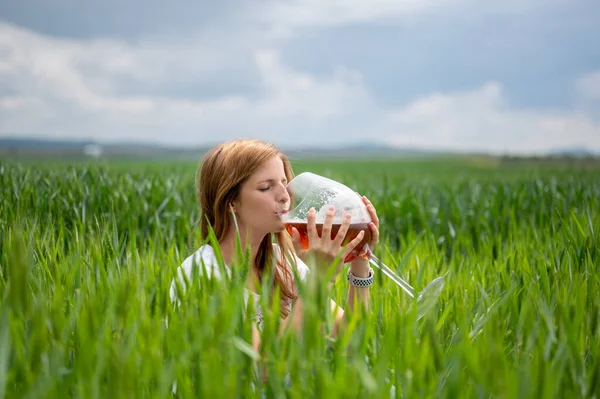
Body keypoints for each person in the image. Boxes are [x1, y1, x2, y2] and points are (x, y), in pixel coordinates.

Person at [169, 138, 380, 360]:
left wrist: (360, 259)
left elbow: (350, 342)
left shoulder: (284, 263)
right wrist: (319, 279)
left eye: (284, 183)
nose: (285, 196)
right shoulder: (202, 275)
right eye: (266, 187)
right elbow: (261, 370)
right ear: (231, 202)